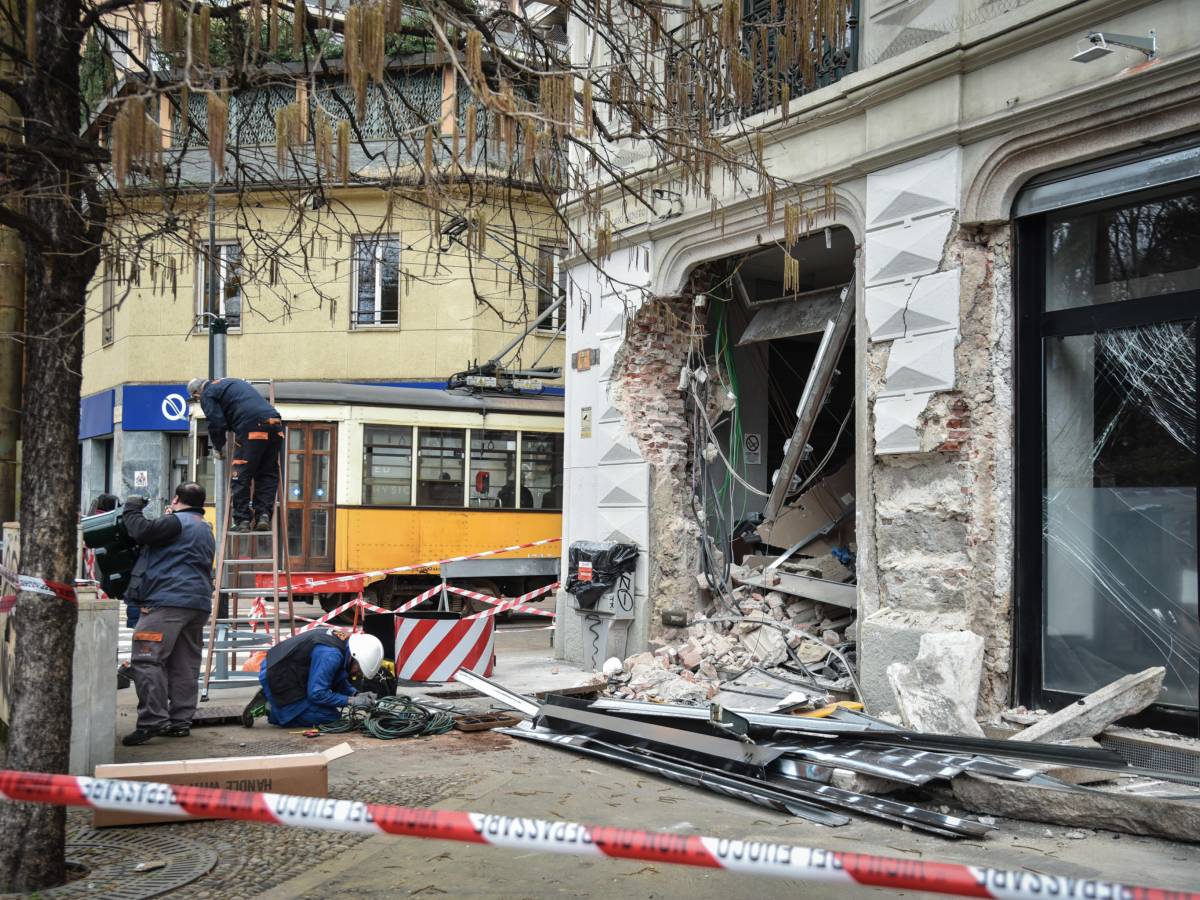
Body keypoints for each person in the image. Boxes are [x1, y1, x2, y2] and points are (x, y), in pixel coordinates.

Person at [120, 482, 216, 745]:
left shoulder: (175, 522)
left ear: (175, 499)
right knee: (184, 665)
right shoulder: (204, 527)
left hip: (168, 602)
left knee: (147, 660)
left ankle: (152, 720)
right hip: (197, 604)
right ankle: (179, 722)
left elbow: (140, 531)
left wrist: (132, 507)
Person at [187, 377, 284, 532]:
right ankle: (263, 516)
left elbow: (216, 422)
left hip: (252, 427)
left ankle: (242, 520)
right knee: (267, 474)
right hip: (275, 424)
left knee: (240, 474)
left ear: (196, 394)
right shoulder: (231, 382)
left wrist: (218, 447)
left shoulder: (207, 394)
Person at [240, 631, 384, 728]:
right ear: (355, 656)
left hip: (285, 668)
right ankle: (270, 708)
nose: (357, 673)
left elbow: (336, 676)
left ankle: (273, 698)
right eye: (359, 669)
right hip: (278, 675)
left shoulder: (343, 644)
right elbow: (317, 694)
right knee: (329, 717)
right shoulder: (331, 655)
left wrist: (355, 694)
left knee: (329, 709)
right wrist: (351, 701)